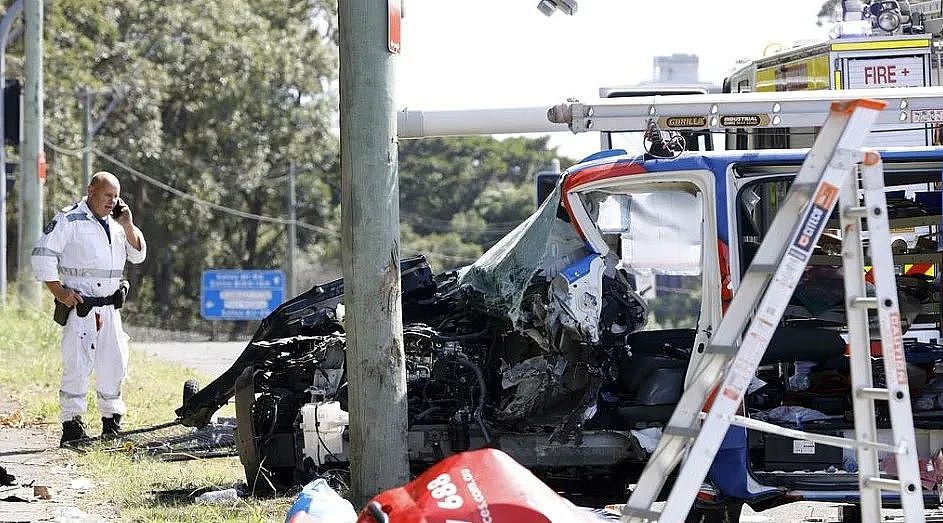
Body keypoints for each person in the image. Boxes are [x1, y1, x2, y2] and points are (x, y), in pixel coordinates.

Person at [31, 171, 146, 445]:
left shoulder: (118, 223)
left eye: (116, 196)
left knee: (114, 365)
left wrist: (128, 225)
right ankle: (72, 426)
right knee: (77, 365)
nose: (112, 201)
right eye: (108, 195)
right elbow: (43, 255)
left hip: (110, 309)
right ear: (91, 190)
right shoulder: (69, 219)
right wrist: (59, 292)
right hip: (82, 308)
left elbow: (138, 255)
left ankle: (111, 424)